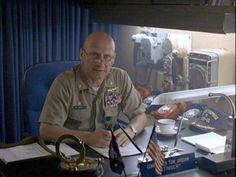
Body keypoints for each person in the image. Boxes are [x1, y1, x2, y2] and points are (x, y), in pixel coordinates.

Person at [39, 31, 164, 174]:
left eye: (107, 57)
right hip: (71, 160)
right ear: (82, 54)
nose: (101, 63)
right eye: (95, 55)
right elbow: (46, 130)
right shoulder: (64, 83)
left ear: (113, 59)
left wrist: (131, 130)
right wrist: (87, 138)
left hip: (105, 158)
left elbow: (140, 116)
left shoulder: (120, 78)